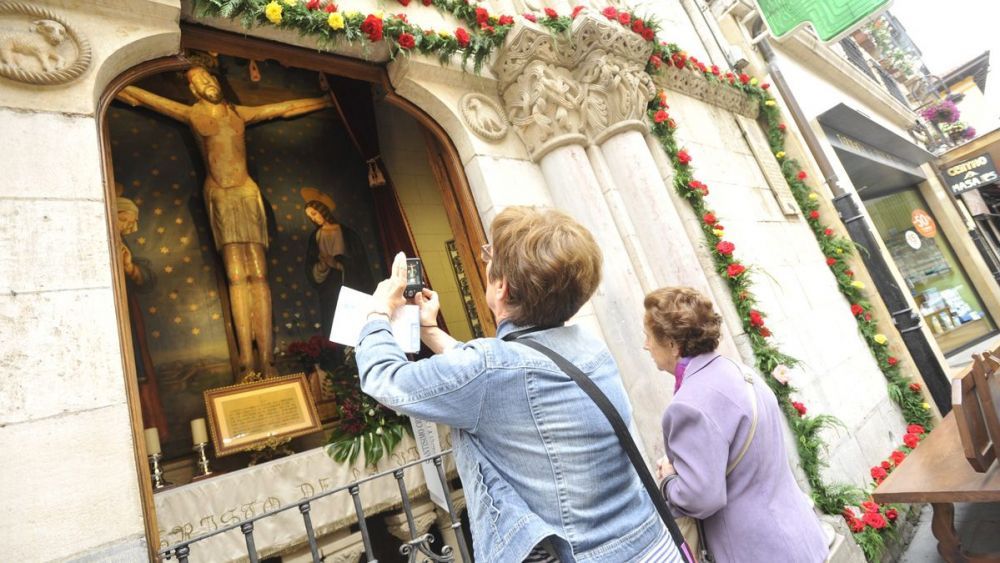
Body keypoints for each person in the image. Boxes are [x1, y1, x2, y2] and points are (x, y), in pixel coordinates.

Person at [357, 207, 683, 563]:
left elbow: (384, 379)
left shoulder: (491, 370)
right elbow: (500, 373)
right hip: (652, 544)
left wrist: (377, 313)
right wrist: (431, 331)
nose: (485, 262)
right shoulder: (589, 346)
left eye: (488, 256)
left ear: (503, 286)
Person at [116, 66, 332, 378]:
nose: (207, 83)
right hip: (220, 195)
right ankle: (246, 359)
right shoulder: (192, 115)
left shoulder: (238, 114)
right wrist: (114, 79)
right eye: (200, 81)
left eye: (210, 77)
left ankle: (268, 360)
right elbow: (144, 99)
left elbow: (285, 108)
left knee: (259, 275)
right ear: (194, 90)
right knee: (236, 275)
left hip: (247, 191)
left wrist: (324, 102)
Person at [643, 287, 829, 563]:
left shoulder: (688, 404)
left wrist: (668, 479)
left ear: (671, 343)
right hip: (801, 537)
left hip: (756, 550)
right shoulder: (740, 371)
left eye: (648, 336)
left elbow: (700, 498)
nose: (645, 345)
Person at [301, 189, 373, 340]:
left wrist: (339, 263)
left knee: (354, 324)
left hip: (349, 283)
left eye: (314, 213)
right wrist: (322, 266)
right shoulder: (315, 236)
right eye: (310, 217)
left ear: (322, 211)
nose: (313, 219)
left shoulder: (347, 233)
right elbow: (311, 265)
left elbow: (360, 264)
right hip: (328, 288)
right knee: (332, 321)